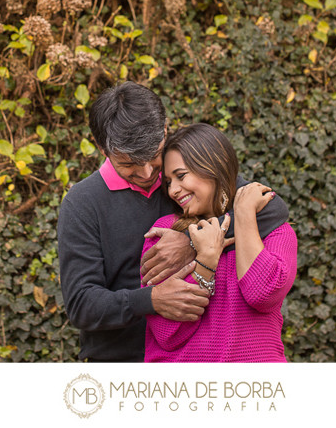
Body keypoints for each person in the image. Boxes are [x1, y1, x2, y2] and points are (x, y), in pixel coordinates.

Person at [57, 81, 290, 362]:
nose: (145, 172)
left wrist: (190, 241)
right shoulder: (82, 203)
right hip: (119, 363)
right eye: (129, 163)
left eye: (153, 155)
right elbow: (82, 304)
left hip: (192, 359)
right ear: (101, 148)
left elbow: (269, 209)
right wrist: (151, 300)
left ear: (164, 130)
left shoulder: (184, 180)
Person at [142, 123, 297, 362]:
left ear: (212, 166)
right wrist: (205, 260)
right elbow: (167, 333)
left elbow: (263, 294)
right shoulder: (167, 234)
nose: (173, 190)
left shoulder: (275, 232)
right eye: (168, 182)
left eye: (181, 176)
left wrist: (244, 212)